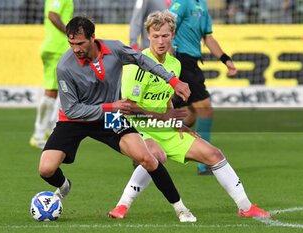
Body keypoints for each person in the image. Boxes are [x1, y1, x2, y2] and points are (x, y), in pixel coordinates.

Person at [108, 10, 271, 220]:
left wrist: (178, 123)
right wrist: (161, 119)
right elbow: (128, 106)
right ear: (148, 35)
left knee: (214, 155)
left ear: (173, 35)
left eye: (165, 35)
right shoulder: (137, 64)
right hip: (135, 126)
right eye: (155, 36)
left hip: (162, 126)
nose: (160, 41)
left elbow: (165, 100)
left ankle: (246, 207)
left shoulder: (174, 64)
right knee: (155, 156)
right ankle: (122, 205)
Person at [38, 16, 196, 222]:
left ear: (93, 38)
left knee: (148, 158)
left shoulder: (114, 49)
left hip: (110, 118)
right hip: (75, 120)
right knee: (46, 169)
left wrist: (173, 81)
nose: (75, 49)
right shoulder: (64, 66)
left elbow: (143, 60)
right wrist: (111, 106)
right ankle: (64, 186)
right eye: (71, 44)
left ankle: (181, 208)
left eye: (80, 43)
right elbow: (72, 110)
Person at [169, 0, 238, 175]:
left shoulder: (202, 5)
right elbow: (166, 26)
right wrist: (169, 61)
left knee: (190, 114)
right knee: (205, 110)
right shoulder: (182, 2)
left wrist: (226, 59)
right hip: (182, 61)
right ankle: (206, 163)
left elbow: (208, 38)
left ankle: (153, 140)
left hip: (192, 62)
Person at [29, 0, 74, 149]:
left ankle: (48, 129)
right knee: (52, 92)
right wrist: (69, 32)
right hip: (57, 48)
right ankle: (39, 134)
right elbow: (52, 15)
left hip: (55, 48)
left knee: (57, 91)